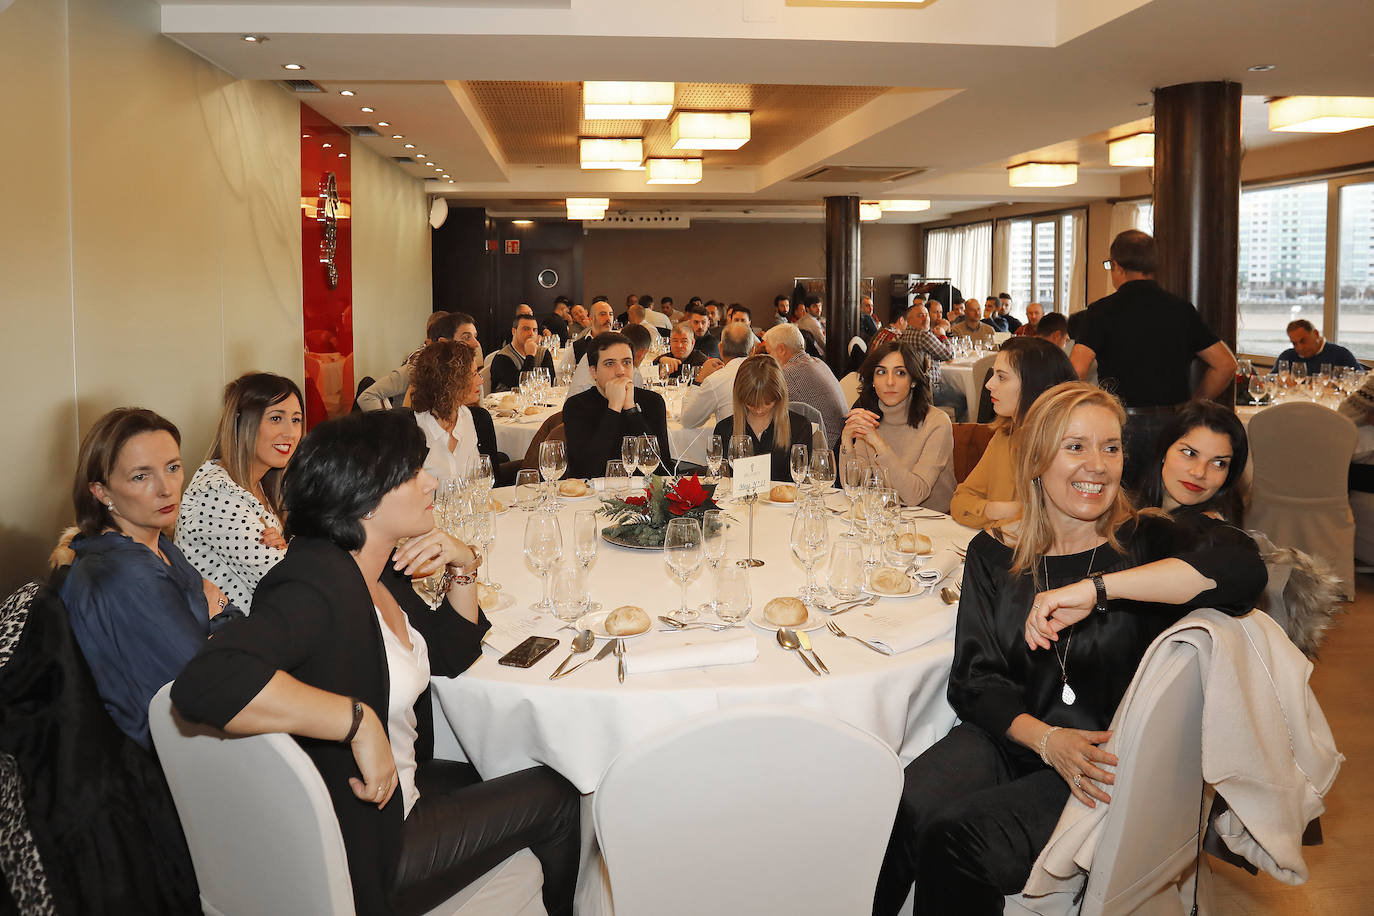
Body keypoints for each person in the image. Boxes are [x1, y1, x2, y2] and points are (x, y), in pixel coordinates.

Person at [874, 382, 1267, 914]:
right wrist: (1045, 740)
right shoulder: (994, 552)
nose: (1098, 465)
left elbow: (1246, 571)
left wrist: (1099, 589)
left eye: (1111, 447)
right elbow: (975, 681)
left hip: (1103, 764)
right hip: (1019, 740)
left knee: (956, 840)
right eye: (1075, 446)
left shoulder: (1145, 544)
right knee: (902, 805)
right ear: (1036, 458)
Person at [171, 410, 580, 916]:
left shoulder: (372, 568)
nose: (430, 481)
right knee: (559, 795)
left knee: (504, 765)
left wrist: (464, 562)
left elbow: (452, 653)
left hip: (401, 793)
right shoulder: (314, 583)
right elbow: (205, 682)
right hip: (374, 847)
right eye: (412, 474)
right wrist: (357, 723)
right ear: (364, 498)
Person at [58, 408, 239, 749]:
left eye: (173, 467)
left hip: (200, 740)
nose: (166, 489)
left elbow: (227, 620)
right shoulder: (123, 573)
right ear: (102, 492)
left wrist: (219, 613)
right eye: (141, 477)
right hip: (159, 767)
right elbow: (210, 684)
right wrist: (214, 613)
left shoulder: (161, 547)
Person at [1071, 230, 1238, 487]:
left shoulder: (1102, 311)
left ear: (1117, 266)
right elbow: (1226, 364)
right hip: (1173, 422)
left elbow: (1076, 370)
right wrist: (1196, 402)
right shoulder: (1180, 309)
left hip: (1120, 421)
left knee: (1120, 503)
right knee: (1166, 499)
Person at [176, 372, 304, 610]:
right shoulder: (216, 493)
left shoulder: (260, 485)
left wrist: (290, 550)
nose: (291, 433)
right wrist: (293, 554)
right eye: (276, 418)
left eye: (296, 420)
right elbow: (291, 584)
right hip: (233, 638)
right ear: (241, 423)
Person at [950, 337, 1077, 530]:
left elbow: (1043, 527)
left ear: (1035, 386)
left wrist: (989, 513)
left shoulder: (1064, 450)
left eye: (1002, 377)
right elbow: (960, 501)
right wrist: (1001, 510)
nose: (989, 385)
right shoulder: (1005, 436)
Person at [840, 341, 956, 511]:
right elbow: (854, 487)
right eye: (881, 372)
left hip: (932, 522)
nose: (890, 381)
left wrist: (878, 443)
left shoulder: (937, 423)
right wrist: (847, 443)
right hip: (884, 516)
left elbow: (914, 495)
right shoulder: (869, 416)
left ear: (914, 380)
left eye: (900, 373)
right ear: (872, 380)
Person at [563, 331, 672, 479]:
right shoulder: (577, 406)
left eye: (627, 362)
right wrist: (613, 408)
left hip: (644, 494)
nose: (621, 371)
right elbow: (585, 471)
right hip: (594, 498)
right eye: (610, 363)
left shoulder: (653, 402)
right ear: (594, 372)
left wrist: (631, 410)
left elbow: (663, 470)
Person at [1136, 400, 1249, 524]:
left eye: (1218, 463)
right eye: (1190, 453)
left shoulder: (1211, 534)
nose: (1199, 472)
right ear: (1164, 450)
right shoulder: (1127, 507)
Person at [712, 356, 812, 482]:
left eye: (767, 403)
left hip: (783, 500)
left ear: (779, 397)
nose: (759, 410)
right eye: (751, 403)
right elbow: (721, 479)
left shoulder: (799, 427)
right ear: (740, 398)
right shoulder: (724, 429)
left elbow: (801, 481)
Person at [358, 312, 480, 411]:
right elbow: (367, 396)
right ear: (443, 343)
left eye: (475, 336)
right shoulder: (415, 370)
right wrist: (392, 428)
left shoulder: (473, 373)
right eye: (466, 337)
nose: (476, 344)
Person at [764, 322, 849, 448]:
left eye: (769, 352)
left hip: (826, 449)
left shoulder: (789, 373)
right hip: (840, 441)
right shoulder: (817, 362)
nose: (768, 358)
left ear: (781, 349)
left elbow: (764, 408)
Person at [410, 340, 480, 481]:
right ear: (452, 383)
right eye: (474, 374)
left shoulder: (465, 415)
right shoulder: (415, 429)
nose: (480, 380)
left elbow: (476, 479)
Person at [682, 322, 755, 428]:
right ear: (753, 351)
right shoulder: (770, 374)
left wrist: (699, 379)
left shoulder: (715, 380)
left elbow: (688, 421)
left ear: (720, 349)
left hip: (732, 442)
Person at [490, 313, 555, 392]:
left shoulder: (543, 353)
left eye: (534, 330)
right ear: (514, 331)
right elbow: (520, 386)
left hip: (537, 401)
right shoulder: (502, 357)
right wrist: (530, 356)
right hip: (508, 402)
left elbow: (550, 383)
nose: (531, 333)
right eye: (526, 329)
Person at [1275, 319, 1363, 375]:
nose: (1300, 347)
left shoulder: (1340, 354)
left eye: (1303, 341)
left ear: (1316, 334)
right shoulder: (1287, 356)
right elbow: (1270, 382)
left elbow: (1361, 382)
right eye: (1294, 343)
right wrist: (1279, 381)